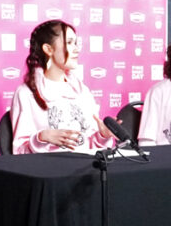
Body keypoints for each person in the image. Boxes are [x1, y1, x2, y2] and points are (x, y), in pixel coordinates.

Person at [10, 19, 115, 154]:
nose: (76, 49)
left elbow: (90, 146)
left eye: (76, 43)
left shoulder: (82, 91)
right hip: (49, 166)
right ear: (48, 49)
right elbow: (19, 152)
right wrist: (41, 138)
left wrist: (103, 136)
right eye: (69, 43)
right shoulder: (26, 93)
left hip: (85, 165)